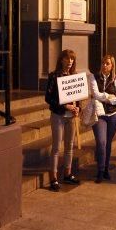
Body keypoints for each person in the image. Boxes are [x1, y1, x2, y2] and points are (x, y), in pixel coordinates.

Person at [44, 49, 81, 191]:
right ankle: (53, 178)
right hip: (58, 115)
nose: (70, 61)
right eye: (67, 58)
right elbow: (48, 98)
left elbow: (78, 96)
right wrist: (65, 105)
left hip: (71, 116)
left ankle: (67, 173)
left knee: (69, 146)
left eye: (72, 59)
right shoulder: (54, 76)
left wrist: (78, 108)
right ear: (61, 60)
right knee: (56, 147)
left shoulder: (74, 76)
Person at [90, 55, 116, 183]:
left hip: (113, 115)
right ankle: (100, 170)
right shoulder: (94, 77)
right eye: (103, 63)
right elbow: (95, 94)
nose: (104, 65)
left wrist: (107, 98)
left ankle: (106, 170)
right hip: (99, 114)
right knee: (101, 142)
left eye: (107, 63)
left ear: (112, 66)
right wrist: (108, 96)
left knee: (108, 142)